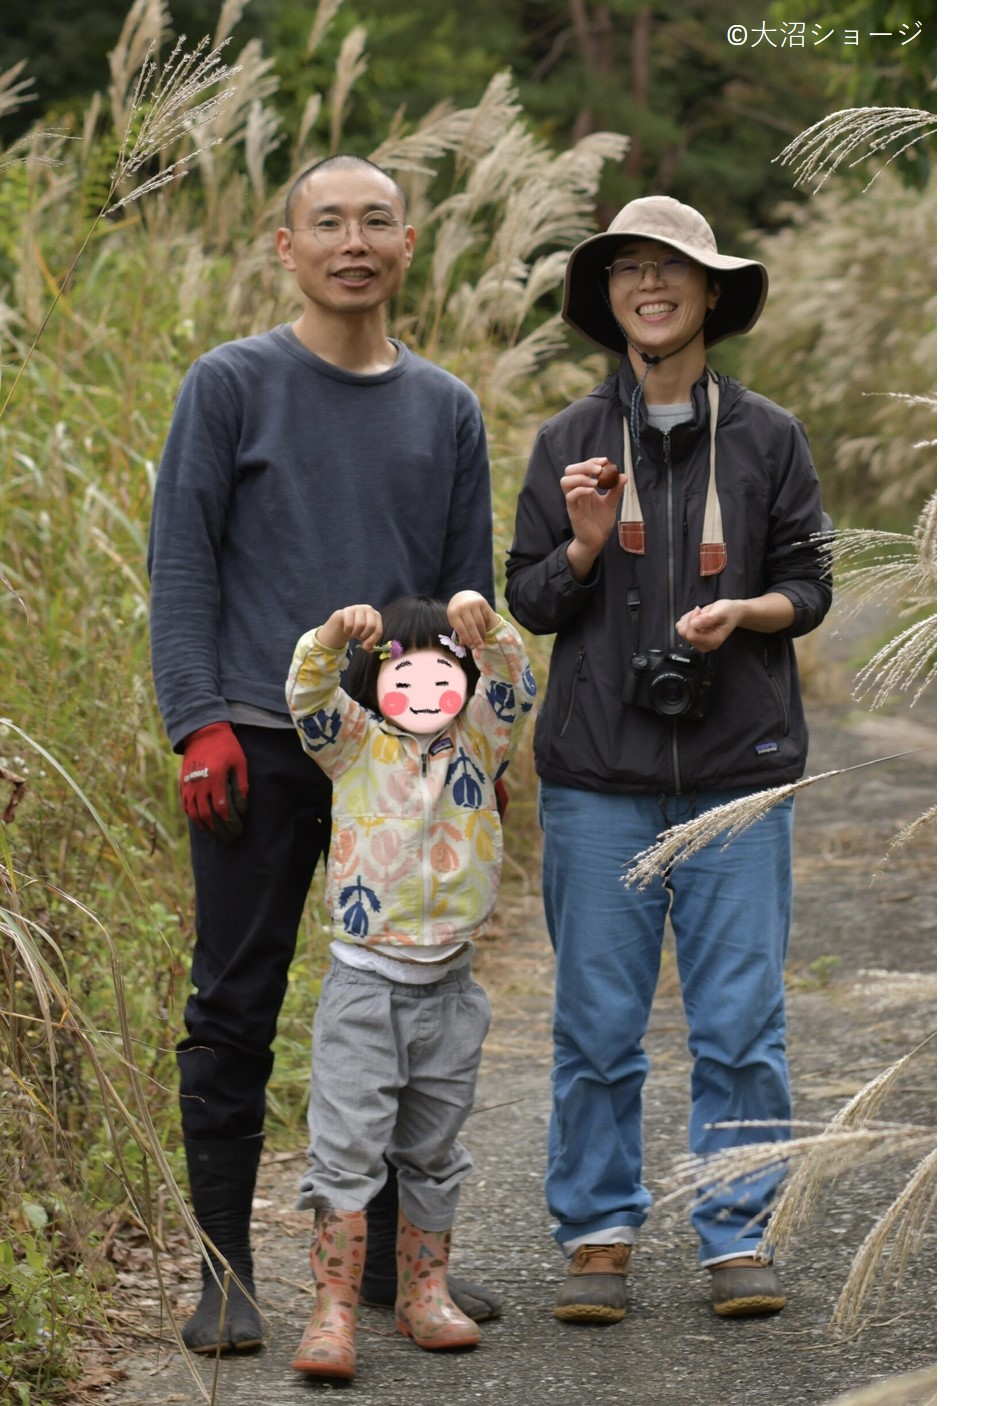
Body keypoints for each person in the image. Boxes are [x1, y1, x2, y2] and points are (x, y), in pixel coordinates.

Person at [147, 154, 502, 1354]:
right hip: (256, 734)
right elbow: (183, 562)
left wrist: (475, 753)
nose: (354, 241)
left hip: (404, 765)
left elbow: (469, 600)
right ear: (284, 246)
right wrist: (196, 720)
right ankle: (224, 1276)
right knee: (235, 1003)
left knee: (412, 999)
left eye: (377, 223)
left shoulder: (447, 407)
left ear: (408, 248)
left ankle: (404, 1271)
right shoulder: (232, 383)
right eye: (328, 222)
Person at [505, 195, 831, 1323]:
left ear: (706, 293)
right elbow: (528, 598)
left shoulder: (768, 436)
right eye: (627, 270)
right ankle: (596, 1229)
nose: (650, 285)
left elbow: (812, 585)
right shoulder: (564, 442)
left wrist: (748, 609)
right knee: (595, 1022)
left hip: (739, 768)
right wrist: (586, 545)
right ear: (608, 299)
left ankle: (736, 1231)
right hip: (598, 773)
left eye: (671, 269)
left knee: (740, 1020)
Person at [284, 590, 535, 1378]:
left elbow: (517, 682)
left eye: (444, 668)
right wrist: (329, 637)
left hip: (450, 991)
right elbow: (306, 696)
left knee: (432, 1149)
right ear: (379, 677)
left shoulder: (480, 742)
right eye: (406, 670)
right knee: (347, 1150)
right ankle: (331, 1309)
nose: (426, 689)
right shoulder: (353, 745)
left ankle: (422, 1292)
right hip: (365, 987)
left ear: (460, 675)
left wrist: (486, 626)